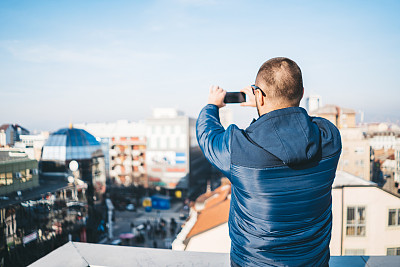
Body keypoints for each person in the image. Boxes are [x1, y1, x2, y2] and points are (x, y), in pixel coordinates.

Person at [196, 57, 341, 267]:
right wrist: (266, 102)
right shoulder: (329, 138)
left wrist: (212, 105)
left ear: (258, 95)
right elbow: (299, 125)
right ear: (302, 93)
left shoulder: (238, 148)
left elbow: (207, 135)